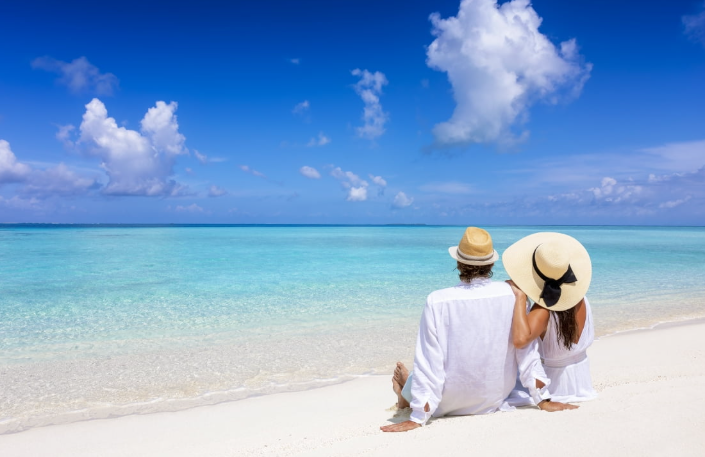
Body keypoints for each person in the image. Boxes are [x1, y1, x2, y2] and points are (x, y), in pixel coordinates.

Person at [380, 227, 577, 433]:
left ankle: (405, 393)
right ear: (491, 263)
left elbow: (429, 360)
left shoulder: (437, 300)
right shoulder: (512, 294)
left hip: (445, 403)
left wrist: (419, 417)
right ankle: (406, 389)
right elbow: (526, 351)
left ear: (458, 262)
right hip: (492, 398)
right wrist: (542, 399)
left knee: (420, 374)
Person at [503, 232, 598, 404]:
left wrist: (520, 297)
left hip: (552, 386)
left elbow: (520, 340)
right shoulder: (582, 299)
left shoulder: (543, 310)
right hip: (582, 382)